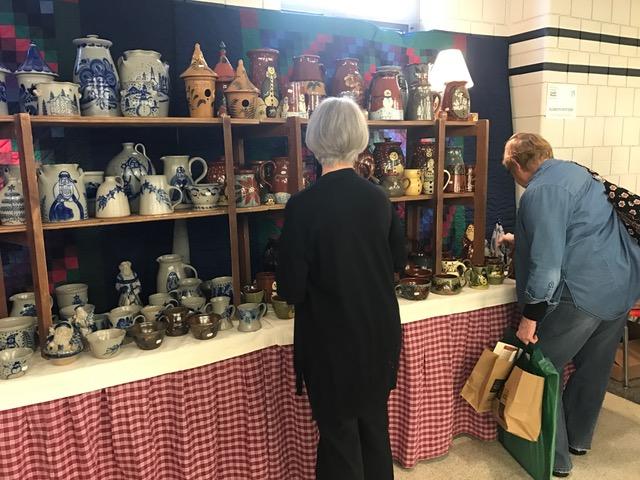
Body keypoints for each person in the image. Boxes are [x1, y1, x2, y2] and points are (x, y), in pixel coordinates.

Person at [276, 97, 406, 480]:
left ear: (314, 141)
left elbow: (291, 288)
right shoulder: (380, 199)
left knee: (338, 437)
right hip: (379, 334)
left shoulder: (302, 206)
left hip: (330, 341)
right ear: (359, 139)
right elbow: (397, 263)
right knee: (374, 430)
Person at [500, 132, 640, 478]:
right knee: (594, 367)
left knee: (541, 365)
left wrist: (530, 318)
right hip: (621, 285)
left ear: (516, 166)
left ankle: (555, 458)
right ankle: (579, 438)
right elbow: (579, 229)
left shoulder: (539, 192)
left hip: (581, 293)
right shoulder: (579, 174)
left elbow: (548, 265)